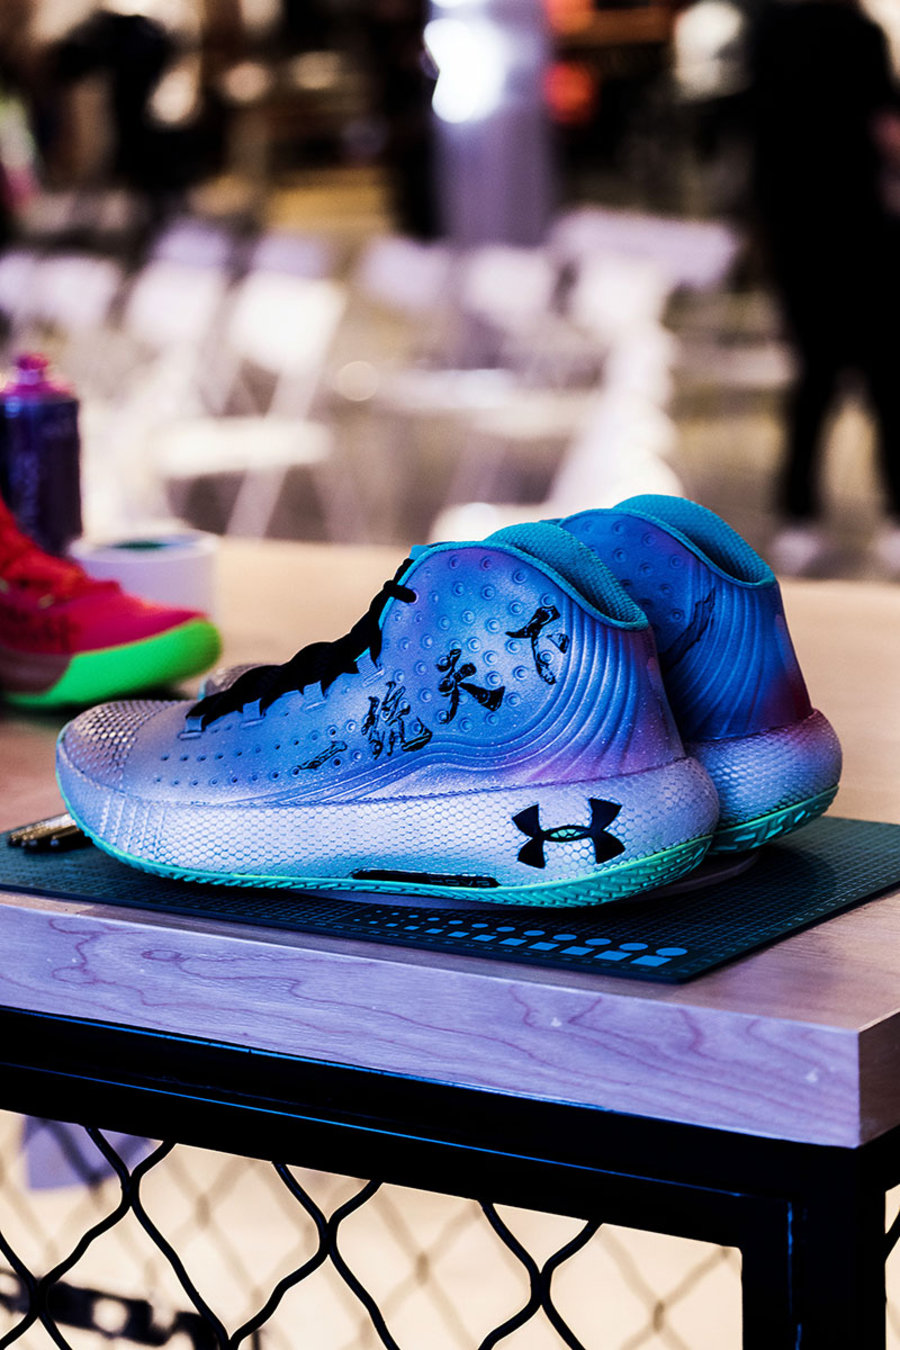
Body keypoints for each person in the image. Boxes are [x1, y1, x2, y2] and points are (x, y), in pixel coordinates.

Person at [747, 0, 900, 575]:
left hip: (796, 231)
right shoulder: (859, 31)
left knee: (813, 379)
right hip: (861, 229)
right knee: (884, 380)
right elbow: (887, 126)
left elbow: (755, 134)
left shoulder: (768, 29)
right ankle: (894, 518)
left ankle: (798, 519)